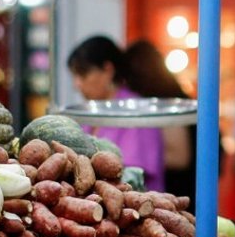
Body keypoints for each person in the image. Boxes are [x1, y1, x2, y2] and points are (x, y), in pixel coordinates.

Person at [66, 35, 166, 192]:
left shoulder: (136, 111)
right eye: (75, 76)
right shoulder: (89, 112)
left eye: (83, 75)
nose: (76, 84)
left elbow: (132, 174)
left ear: (107, 70)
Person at [122, 39, 196, 209]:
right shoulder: (170, 93)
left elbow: (180, 157)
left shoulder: (165, 100)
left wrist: (135, 157)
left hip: (180, 189)